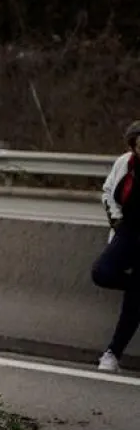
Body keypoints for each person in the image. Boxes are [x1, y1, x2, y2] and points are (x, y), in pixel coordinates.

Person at [93, 120, 140, 372]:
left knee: (135, 301)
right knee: (101, 272)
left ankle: (112, 354)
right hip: (128, 229)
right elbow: (108, 191)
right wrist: (116, 218)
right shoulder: (125, 163)